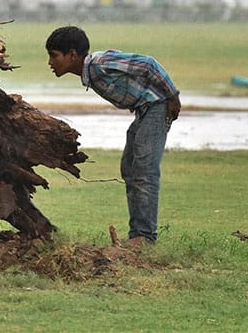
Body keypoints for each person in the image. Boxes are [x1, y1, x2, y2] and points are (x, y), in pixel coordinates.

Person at [45, 25, 181, 245]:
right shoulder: (91, 72)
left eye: (54, 56)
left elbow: (148, 64)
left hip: (156, 105)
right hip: (143, 110)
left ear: (72, 55)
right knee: (130, 167)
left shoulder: (99, 64)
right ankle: (138, 234)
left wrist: (173, 96)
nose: (50, 63)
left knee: (145, 170)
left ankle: (144, 237)